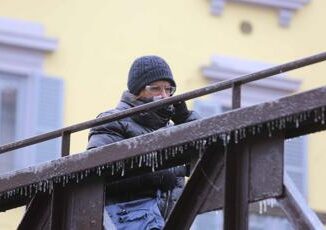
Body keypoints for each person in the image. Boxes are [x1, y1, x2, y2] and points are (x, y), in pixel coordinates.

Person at [87, 55, 200, 230]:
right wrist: (154, 172)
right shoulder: (112, 121)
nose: (164, 96)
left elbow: (209, 152)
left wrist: (186, 118)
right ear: (137, 90)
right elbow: (98, 175)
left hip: (168, 222)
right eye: (155, 89)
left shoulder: (171, 128)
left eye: (168, 89)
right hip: (126, 220)